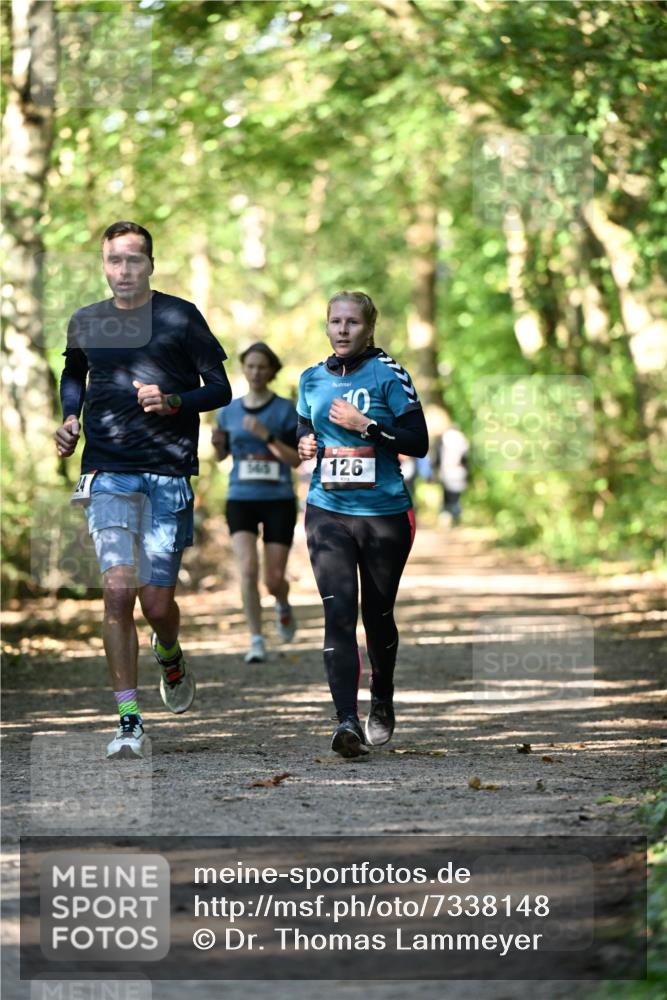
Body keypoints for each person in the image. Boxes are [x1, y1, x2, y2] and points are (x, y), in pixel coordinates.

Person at [55, 220, 232, 760]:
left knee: (157, 603)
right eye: (114, 260)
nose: (124, 270)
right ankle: (129, 720)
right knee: (116, 591)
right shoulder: (86, 321)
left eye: (134, 260)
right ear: (104, 264)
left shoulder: (180, 315)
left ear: (150, 264)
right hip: (107, 470)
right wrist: (68, 418)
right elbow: (74, 375)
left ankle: (170, 651)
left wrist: (175, 401)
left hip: (167, 471)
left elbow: (219, 388)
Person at [297, 291, 429, 758]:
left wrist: (366, 425)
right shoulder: (310, 379)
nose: (343, 330)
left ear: (369, 328)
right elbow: (302, 428)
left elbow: (419, 442)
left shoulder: (389, 373)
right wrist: (306, 445)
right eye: (335, 322)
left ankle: (382, 698)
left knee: (377, 615)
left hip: (385, 515)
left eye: (352, 322)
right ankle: (345, 722)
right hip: (327, 511)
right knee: (338, 613)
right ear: (327, 326)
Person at [212, 342, 300, 663]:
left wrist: (267, 436)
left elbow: (295, 461)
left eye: (262, 366)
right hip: (241, 499)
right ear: (243, 369)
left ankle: (283, 603)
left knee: (273, 579)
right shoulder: (229, 412)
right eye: (250, 366)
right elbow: (222, 455)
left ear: (272, 371)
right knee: (247, 570)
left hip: (278, 499)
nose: (256, 372)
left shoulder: (285, 411)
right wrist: (217, 446)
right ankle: (256, 638)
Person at [438, 423, 469, 524]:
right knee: (456, 496)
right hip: (458, 470)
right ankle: (455, 518)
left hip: (446, 470)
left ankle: (446, 518)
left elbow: (438, 456)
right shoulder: (462, 439)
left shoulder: (444, 438)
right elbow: (465, 458)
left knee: (446, 496)